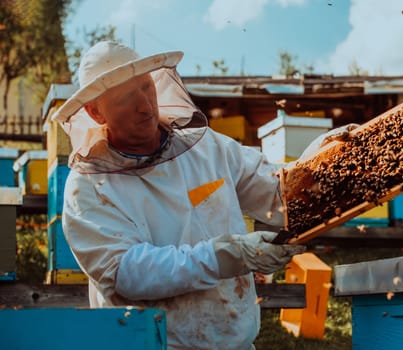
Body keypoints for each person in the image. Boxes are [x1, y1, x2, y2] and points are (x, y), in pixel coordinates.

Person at [54, 41, 353, 349]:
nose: (144, 105)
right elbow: (127, 272)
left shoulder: (207, 148)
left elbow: (279, 194)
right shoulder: (87, 189)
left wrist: (323, 162)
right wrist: (226, 255)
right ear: (95, 111)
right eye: (127, 98)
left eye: (146, 87)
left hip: (234, 342)